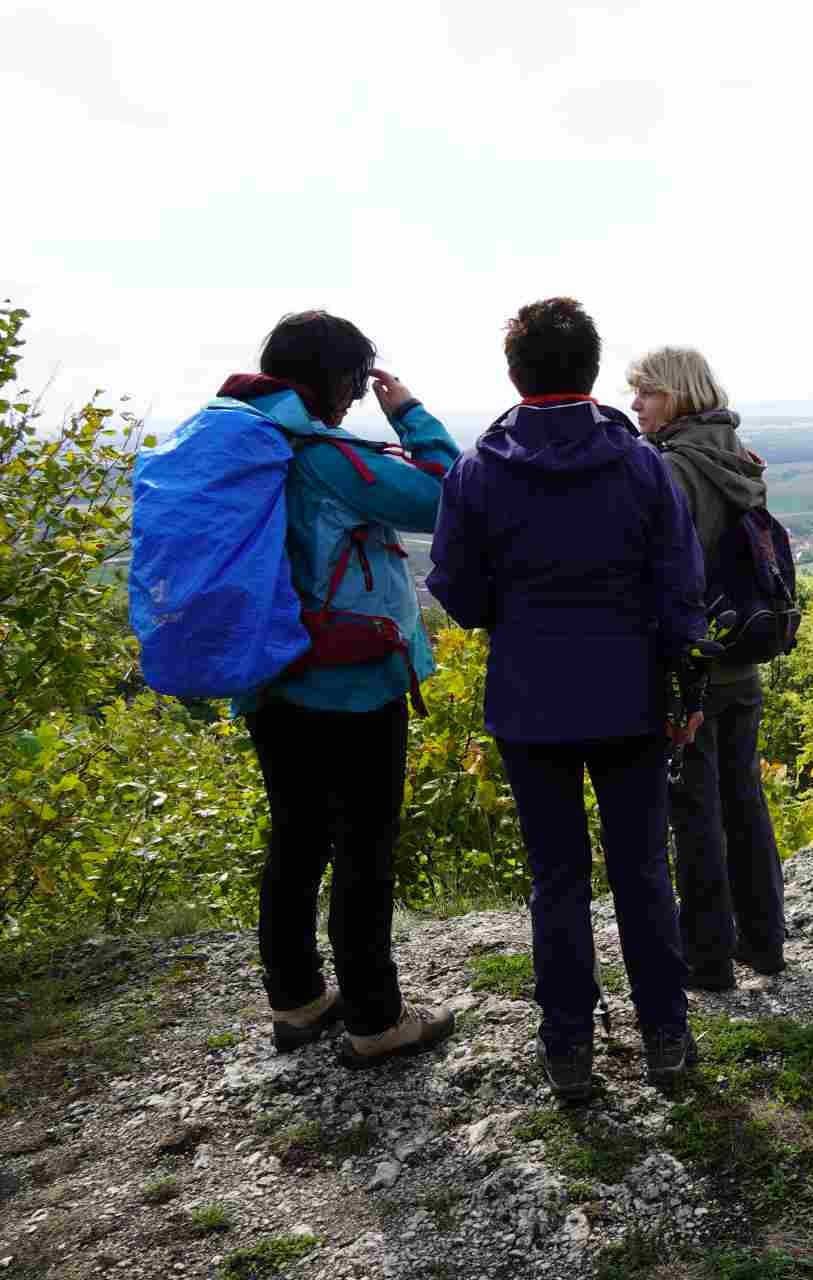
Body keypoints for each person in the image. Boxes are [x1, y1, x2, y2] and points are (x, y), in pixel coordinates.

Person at [427, 299, 709, 1100]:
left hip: (529, 699)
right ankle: (666, 1037)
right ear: (591, 370)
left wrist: (513, 617)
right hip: (629, 696)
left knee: (557, 879)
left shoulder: (478, 471)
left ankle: (568, 1051)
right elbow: (680, 584)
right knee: (643, 870)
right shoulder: (641, 465)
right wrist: (684, 683)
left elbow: (460, 590)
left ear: (514, 374)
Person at [224, 310, 459, 1065]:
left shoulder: (241, 441)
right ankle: (374, 1016)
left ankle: (296, 1000)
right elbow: (442, 496)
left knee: (295, 836)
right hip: (348, 684)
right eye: (356, 381)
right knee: (364, 846)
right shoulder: (321, 453)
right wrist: (411, 415)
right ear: (332, 378)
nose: (358, 398)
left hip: (268, 677)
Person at [628, 347, 786, 990]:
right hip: (741, 659)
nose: (635, 404)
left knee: (695, 812)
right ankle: (765, 940)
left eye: (647, 393)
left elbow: (658, 572)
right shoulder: (737, 456)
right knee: (744, 802)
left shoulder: (671, 470)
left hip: (691, 670)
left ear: (678, 398)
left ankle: (709, 957)